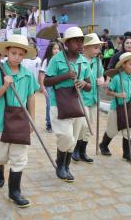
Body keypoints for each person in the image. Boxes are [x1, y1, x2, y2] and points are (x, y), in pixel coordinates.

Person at [0, 34, 39, 207]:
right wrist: (4, 85)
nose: (17, 57)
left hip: (20, 119)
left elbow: (31, 96)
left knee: (19, 157)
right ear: (6, 52)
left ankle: (14, 191)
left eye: (20, 54)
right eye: (13, 53)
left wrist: (31, 118)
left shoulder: (28, 75)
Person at [44, 27, 92, 182]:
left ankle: (66, 166)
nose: (80, 44)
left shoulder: (84, 61)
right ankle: (60, 165)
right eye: (76, 41)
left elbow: (90, 85)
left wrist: (83, 83)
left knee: (75, 136)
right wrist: (65, 76)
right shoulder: (56, 59)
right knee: (66, 137)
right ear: (67, 43)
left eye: (81, 40)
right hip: (59, 103)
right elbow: (46, 81)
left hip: (77, 103)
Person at [100, 52, 131, 164]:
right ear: (123, 65)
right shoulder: (117, 78)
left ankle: (128, 154)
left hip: (128, 108)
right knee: (112, 130)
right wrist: (118, 95)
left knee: (129, 130)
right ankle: (103, 145)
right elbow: (108, 92)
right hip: (116, 108)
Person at [72, 34, 104, 163]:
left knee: (90, 125)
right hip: (81, 98)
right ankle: (75, 148)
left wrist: (102, 80)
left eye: (98, 48)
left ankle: (82, 151)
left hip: (94, 98)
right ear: (85, 48)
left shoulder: (98, 61)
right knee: (83, 125)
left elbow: (102, 76)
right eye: (95, 47)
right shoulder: (78, 61)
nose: (98, 50)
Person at [39, 42, 60, 132]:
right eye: (54, 49)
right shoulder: (46, 60)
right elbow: (42, 74)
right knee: (49, 105)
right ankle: (49, 124)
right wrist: (43, 87)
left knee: (57, 105)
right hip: (49, 86)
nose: (56, 50)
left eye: (58, 48)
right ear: (50, 50)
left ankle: (56, 123)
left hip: (58, 87)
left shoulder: (61, 60)